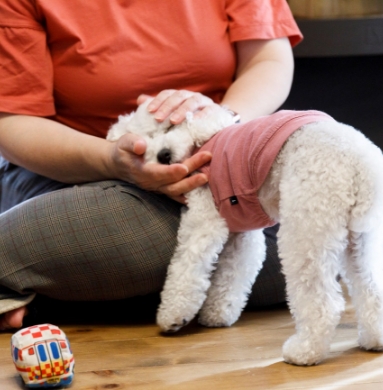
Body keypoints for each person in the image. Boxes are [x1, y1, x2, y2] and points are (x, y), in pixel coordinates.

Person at [0, 0, 303, 330]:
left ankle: (55, 286)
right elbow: (12, 122)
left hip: (223, 161)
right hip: (76, 173)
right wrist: (113, 160)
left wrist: (221, 123)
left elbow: (268, 59)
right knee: (274, 249)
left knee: (309, 228)